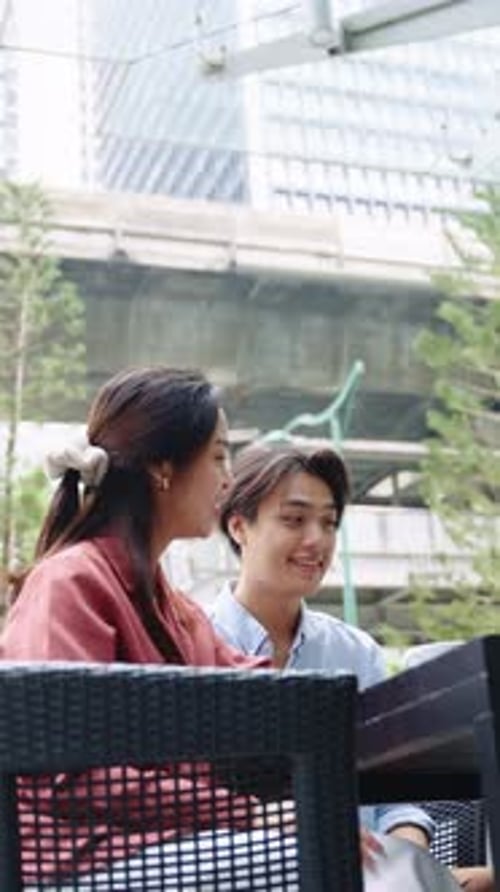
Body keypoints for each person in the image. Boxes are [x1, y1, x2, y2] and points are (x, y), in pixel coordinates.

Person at [210, 442, 493, 892]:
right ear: (239, 526)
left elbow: (398, 800)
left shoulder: (356, 653)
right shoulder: (191, 646)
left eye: (329, 523)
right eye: (294, 519)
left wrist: (407, 860)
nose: (317, 540)